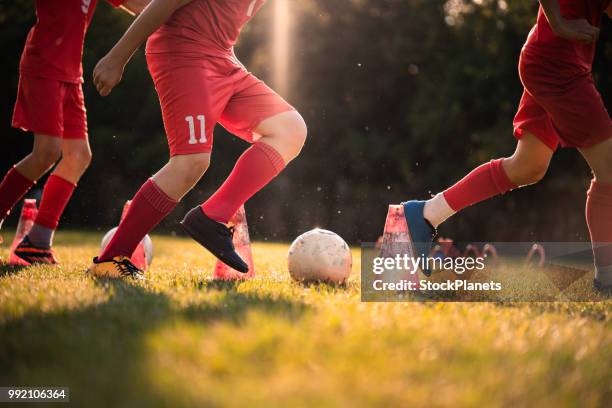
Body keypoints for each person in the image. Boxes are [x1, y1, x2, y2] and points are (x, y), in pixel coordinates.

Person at [402, 0, 612, 293]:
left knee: (528, 166)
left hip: (555, 61)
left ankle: (425, 213)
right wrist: (560, 23)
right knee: (609, 173)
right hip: (558, 66)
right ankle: (607, 280)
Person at [87, 0, 307, 278]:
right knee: (190, 162)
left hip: (222, 57)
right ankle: (110, 260)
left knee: (290, 128)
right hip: (183, 52)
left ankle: (213, 217)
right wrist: (117, 57)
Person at [0, 0, 149, 265]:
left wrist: (178, 9)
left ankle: (37, 242)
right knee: (46, 152)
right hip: (43, 66)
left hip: (71, 74)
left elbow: (140, 5)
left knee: (78, 155)